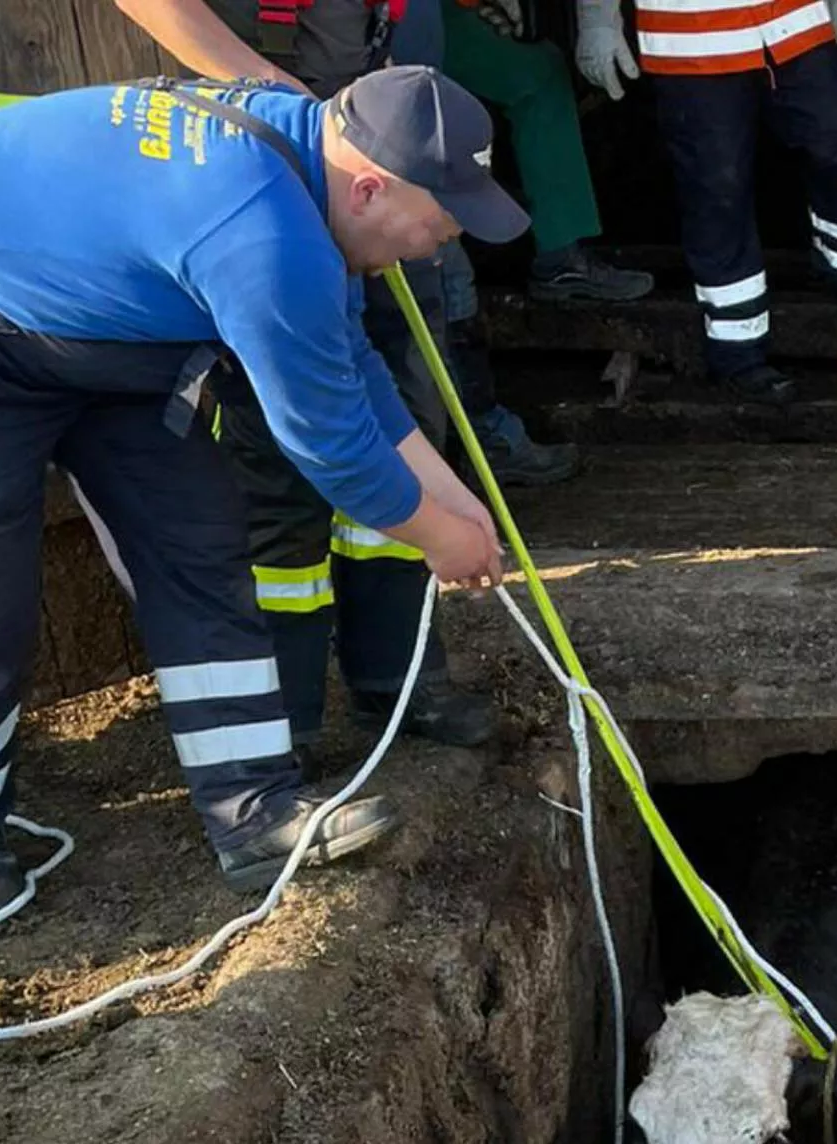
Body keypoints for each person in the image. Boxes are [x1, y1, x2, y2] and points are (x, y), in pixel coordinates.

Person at [0, 68, 510, 914]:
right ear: (369, 187)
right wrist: (441, 538)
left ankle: (253, 814)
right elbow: (329, 444)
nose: (434, 248)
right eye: (435, 226)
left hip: (106, 330)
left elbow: (352, 364)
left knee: (200, 547)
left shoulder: (301, 158)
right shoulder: (265, 234)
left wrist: (453, 497)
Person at [116, 0, 519, 765]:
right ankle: (286, 718)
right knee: (280, 460)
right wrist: (259, 78)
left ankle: (398, 676)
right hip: (298, 172)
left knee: (406, 414)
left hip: (403, 180)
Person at [573, 0, 837, 404]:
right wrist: (598, 19)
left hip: (795, 23)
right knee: (716, 188)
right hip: (691, 39)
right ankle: (737, 350)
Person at [393, 0, 651, 468]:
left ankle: (560, 255)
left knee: (536, 74)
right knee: (439, 277)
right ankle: (474, 438)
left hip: (412, 28)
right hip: (366, 60)